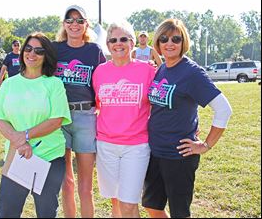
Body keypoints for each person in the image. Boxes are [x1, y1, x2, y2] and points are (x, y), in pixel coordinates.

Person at [141, 18, 232, 218]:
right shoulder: (163, 68)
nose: (169, 43)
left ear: (184, 42)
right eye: (164, 39)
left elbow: (224, 109)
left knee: (179, 212)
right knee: (151, 205)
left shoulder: (192, 72)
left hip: (179, 156)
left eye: (176, 38)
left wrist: (205, 145)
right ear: (157, 43)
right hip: (155, 151)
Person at [0, 32, 72, 218]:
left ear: (46, 56)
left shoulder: (54, 84)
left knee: (46, 213)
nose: (32, 54)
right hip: (17, 155)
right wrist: (20, 141)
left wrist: (25, 136)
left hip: (49, 157)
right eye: (28, 48)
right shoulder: (9, 84)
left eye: (39, 50)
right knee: (6, 211)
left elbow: (56, 120)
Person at [92, 21, 155, 218]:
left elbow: (162, 102)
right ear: (108, 44)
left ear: (133, 43)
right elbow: (98, 105)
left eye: (123, 39)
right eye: (113, 40)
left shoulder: (148, 71)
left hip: (136, 146)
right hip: (106, 145)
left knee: (128, 203)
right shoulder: (100, 71)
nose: (118, 43)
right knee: (116, 201)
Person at [52, 5, 106, 218]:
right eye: (70, 19)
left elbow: (107, 77)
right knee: (66, 182)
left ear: (86, 24)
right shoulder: (55, 49)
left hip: (85, 117)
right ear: (64, 24)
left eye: (79, 20)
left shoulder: (94, 51)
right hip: (59, 118)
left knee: (85, 184)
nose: (74, 24)